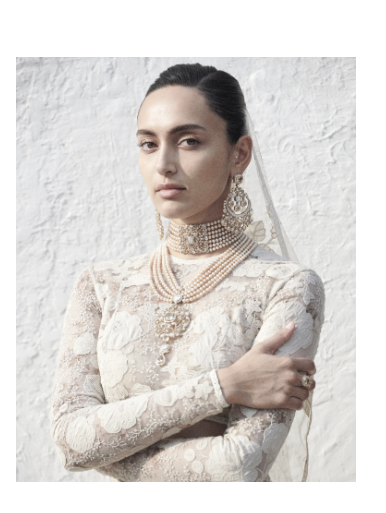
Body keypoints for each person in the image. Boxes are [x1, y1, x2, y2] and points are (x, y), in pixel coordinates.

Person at [50, 63, 325, 482]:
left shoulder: (287, 286)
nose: (163, 163)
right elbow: (71, 443)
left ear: (239, 154)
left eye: (189, 141)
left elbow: (238, 466)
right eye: (148, 144)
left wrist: (108, 451)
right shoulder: (102, 285)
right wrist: (225, 385)